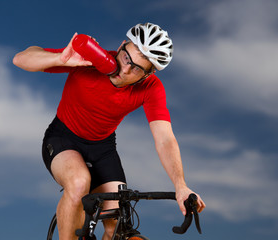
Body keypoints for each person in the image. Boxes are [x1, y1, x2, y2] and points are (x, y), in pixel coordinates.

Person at [13, 23, 206, 240]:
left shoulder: (151, 88)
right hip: (63, 137)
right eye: (126, 58)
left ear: (148, 74)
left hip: (103, 148)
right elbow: (21, 58)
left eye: (137, 69)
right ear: (122, 45)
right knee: (78, 183)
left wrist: (181, 186)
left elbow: (165, 138)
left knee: (118, 223)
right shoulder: (90, 59)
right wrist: (60, 59)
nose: (125, 70)